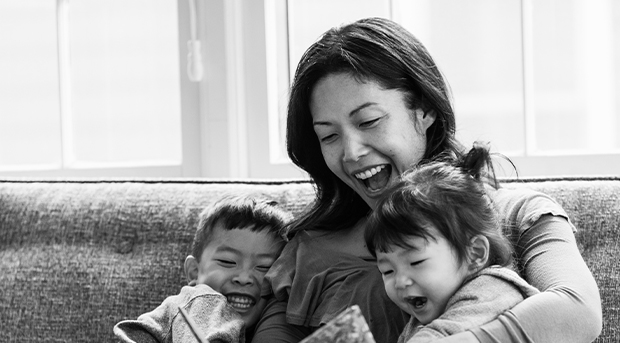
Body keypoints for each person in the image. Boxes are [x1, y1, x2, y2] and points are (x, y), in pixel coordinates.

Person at [252, 17, 602, 343]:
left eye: (369, 121)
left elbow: (578, 311)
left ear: (425, 110)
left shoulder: (517, 213)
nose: (350, 152)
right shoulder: (311, 249)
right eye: (329, 136)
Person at [365, 143, 540, 342]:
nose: (400, 281)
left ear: (474, 253)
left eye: (416, 262)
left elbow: (444, 334)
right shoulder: (425, 317)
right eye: (387, 271)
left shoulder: (492, 290)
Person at [114, 195, 292, 343]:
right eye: (228, 262)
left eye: (264, 267)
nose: (244, 278)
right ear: (193, 271)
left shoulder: (272, 326)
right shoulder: (195, 301)